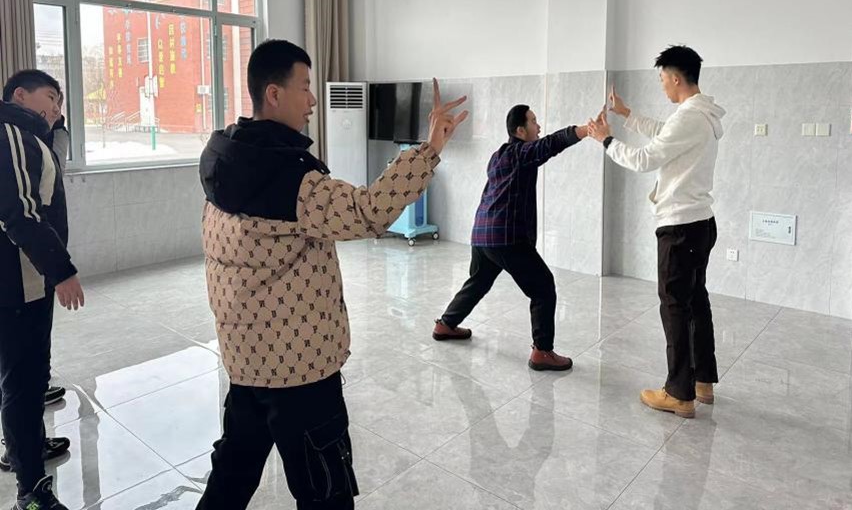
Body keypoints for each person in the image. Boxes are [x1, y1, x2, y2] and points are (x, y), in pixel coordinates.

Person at [195, 39, 468, 510]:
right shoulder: (289, 179)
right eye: (304, 87)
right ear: (274, 94)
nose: (313, 100)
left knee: (232, 476)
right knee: (326, 492)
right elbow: (368, 211)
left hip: (246, 359)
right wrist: (431, 147)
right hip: (300, 368)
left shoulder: (225, 158)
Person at [587, 45, 725, 419]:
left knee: (675, 306)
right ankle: (702, 381)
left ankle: (679, 393)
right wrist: (627, 114)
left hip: (680, 227)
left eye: (663, 78)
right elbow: (664, 133)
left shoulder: (690, 117)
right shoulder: (701, 114)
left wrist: (606, 140)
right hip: (700, 223)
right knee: (696, 301)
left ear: (676, 78)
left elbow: (645, 158)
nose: (662, 85)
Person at [432, 104, 589, 371]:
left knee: (479, 281)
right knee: (543, 287)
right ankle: (542, 351)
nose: (538, 126)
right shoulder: (522, 152)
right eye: (533, 121)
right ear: (520, 130)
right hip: (507, 237)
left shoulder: (497, 155)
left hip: (482, 234)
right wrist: (585, 130)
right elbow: (551, 144)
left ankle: (446, 324)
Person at [0, 70, 85, 510]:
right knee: (24, 380)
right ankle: (30, 491)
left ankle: (28, 447)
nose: (56, 108)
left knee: (28, 376)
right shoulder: (14, 134)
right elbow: (22, 214)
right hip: (19, 283)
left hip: (25, 281)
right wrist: (62, 271)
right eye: (50, 97)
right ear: (19, 95)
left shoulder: (30, 136)